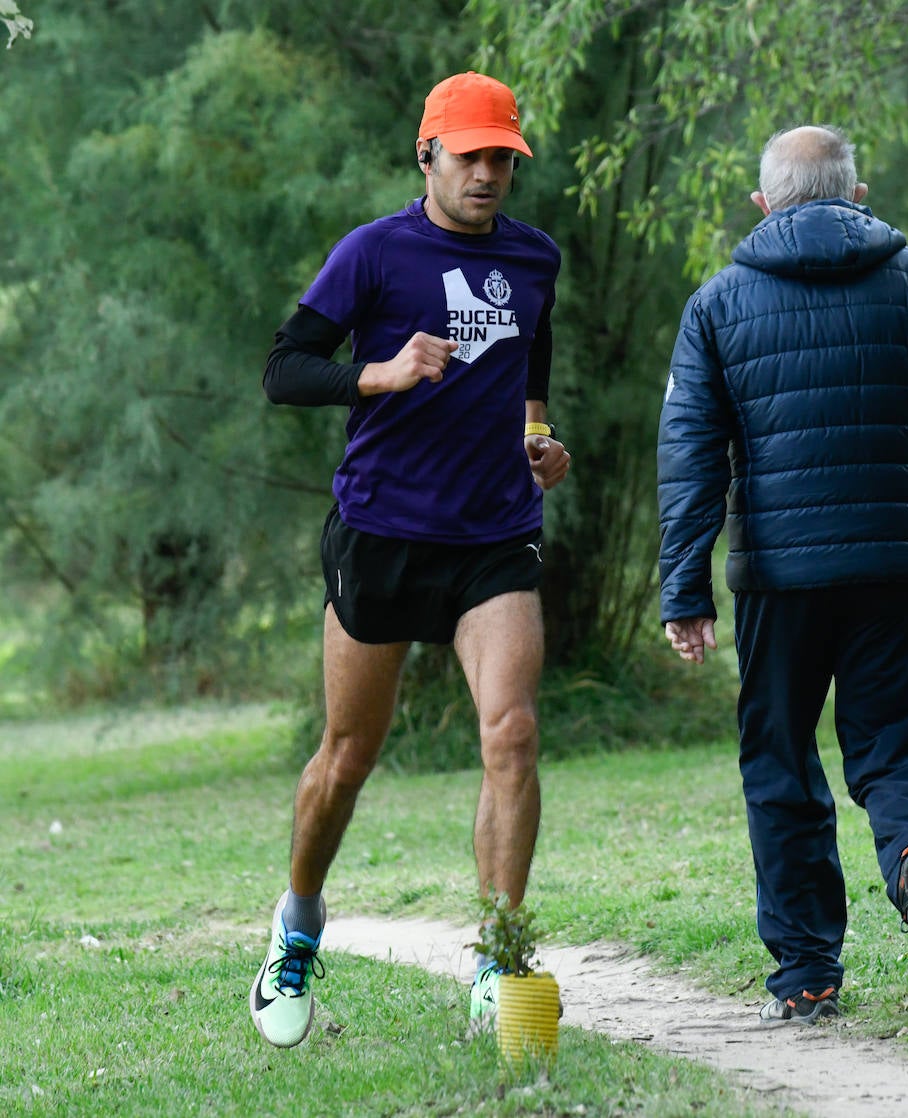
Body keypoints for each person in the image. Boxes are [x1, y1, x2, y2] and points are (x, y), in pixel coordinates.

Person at [657, 125, 908, 1024]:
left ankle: (808, 973)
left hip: (778, 580)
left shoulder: (718, 304)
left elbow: (690, 456)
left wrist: (685, 587)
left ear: (764, 203)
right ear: (857, 195)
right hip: (891, 568)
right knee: (892, 750)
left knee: (781, 761)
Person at [249, 71, 570, 1049]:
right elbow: (282, 369)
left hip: (492, 536)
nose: (487, 173)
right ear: (426, 156)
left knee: (511, 732)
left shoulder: (534, 257)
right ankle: (298, 923)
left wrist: (539, 436)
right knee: (347, 757)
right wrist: (376, 374)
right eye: (469, 155)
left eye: (501, 158)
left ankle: (501, 962)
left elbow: (532, 350)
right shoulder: (373, 255)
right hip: (384, 533)